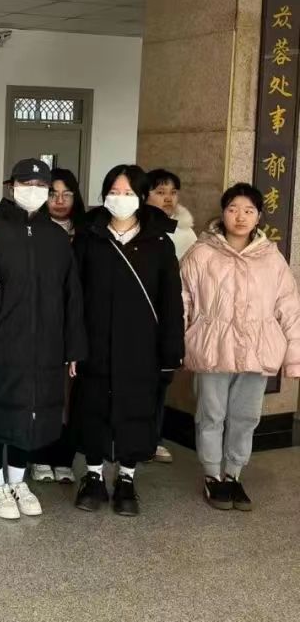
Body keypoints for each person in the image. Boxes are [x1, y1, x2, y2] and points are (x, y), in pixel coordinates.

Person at [0, 159, 86, 520]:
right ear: (11, 187)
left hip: (44, 345)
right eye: (27, 184)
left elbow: (71, 295)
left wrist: (72, 346)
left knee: (30, 412)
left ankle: (18, 481)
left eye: (41, 186)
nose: (34, 191)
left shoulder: (56, 237)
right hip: (0, 343)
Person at [71, 164, 184, 517]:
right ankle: (92, 476)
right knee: (92, 408)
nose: (120, 199)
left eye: (128, 193)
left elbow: (171, 302)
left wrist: (171, 353)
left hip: (141, 347)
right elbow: (73, 296)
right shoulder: (89, 237)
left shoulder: (160, 243)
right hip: (94, 343)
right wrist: (73, 345)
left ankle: (126, 479)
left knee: (137, 410)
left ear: (142, 196)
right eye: (114, 192)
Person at [180, 184, 300, 511]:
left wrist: (294, 359)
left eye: (249, 210)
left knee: (246, 416)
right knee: (211, 414)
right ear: (223, 213)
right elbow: (182, 301)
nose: (240, 217)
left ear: (259, 216)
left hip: (256, 350)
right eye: (233, 209)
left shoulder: (271, 258)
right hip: (212, 348)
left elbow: (289, 308)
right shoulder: (201, 253)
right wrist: (179, 342)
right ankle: (211, 475)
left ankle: (233, 474)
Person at [30, 167, 86, 484]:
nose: (60, 200)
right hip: (40, 324)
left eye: (67, 194)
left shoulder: (87, 233)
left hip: (76, 324)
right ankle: (39, 456)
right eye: (53, 194)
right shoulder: (31, 230)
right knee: (41, 394)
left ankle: (64, 457)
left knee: (71, 397)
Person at [144, 168, 198, 464]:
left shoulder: (186, 233)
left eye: (173, 192)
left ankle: (153, 439)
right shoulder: (135, 226)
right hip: (138, 315)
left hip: (168, 316)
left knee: (161, 380)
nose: (168, 198)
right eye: (160, 192)